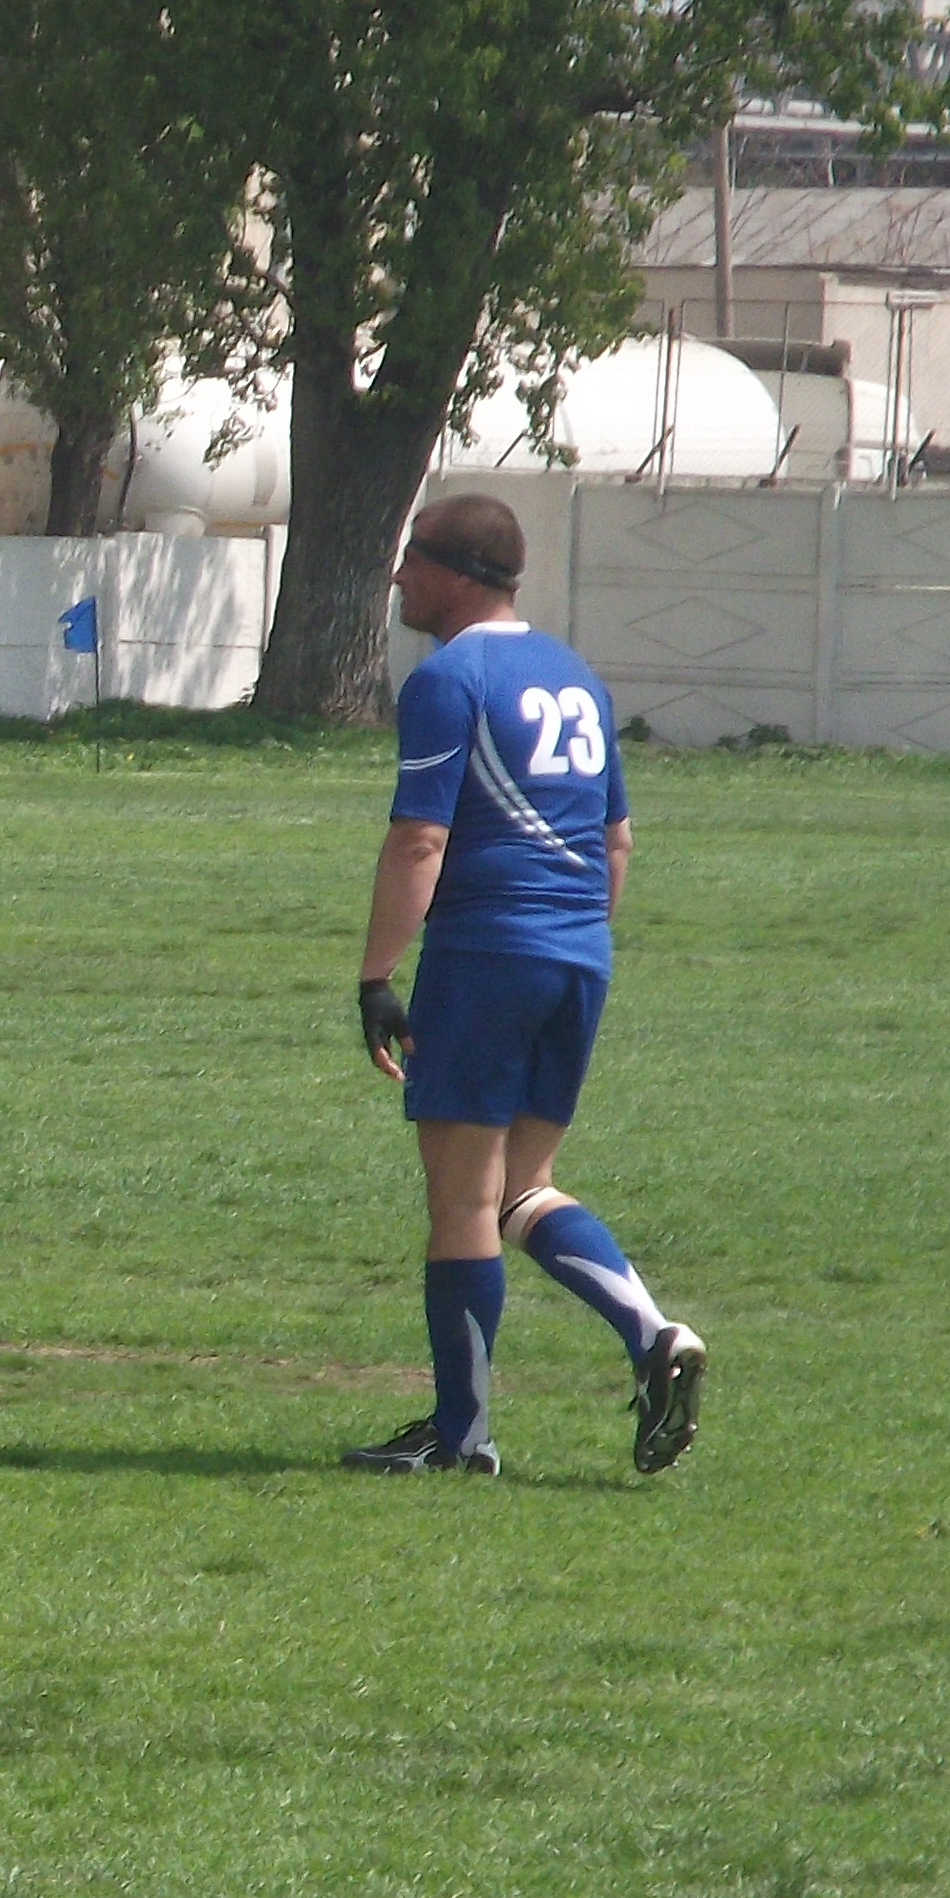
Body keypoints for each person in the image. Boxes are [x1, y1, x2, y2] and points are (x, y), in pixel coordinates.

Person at [346, 492, 705, 1475]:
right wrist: (574, 939)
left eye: (411, 557)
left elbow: (421, 837)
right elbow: (615, 841)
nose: (398, 576)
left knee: (463, 1201)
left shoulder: (446, 679)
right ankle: (652, 1335)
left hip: (485, 955)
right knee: (522, 1189)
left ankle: (460, 1439)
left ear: (457, 572)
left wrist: (377, 975)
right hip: (578, 952)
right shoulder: (576, 676)